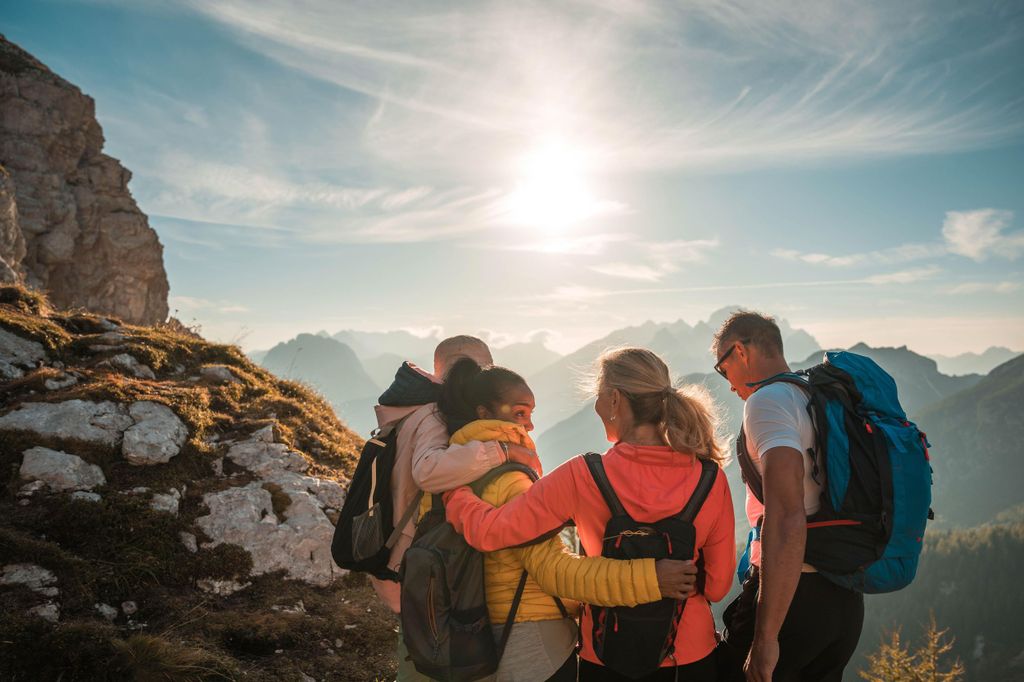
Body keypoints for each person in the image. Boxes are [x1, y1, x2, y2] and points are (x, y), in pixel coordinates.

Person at [372, 337, 697, 681]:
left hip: (479, 630)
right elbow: (555, 571)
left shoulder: (452, 470)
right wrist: (651, 578)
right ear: (483, 411)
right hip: (535, 638)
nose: (529, 425)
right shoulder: (508, 477)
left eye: (530, 414)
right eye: (520, 414)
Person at [443, 347, 736, 681]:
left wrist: (455, 491)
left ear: (614, 400)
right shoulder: (711, 479)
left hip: (607, 655)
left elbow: (490, 532)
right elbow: (716, 587)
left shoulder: (582, 475)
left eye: (598, 397)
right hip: (689, 656)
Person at [370, 335, 540, 681]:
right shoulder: (434, 412)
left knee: (422, 653)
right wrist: (503, 453)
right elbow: (429, 471)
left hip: (410, 559)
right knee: (430, 659)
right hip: (425, 563)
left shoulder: (412, 411)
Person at [712, 312, 864, 682]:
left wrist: (765, 638)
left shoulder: (769, 402)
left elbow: (786, 514)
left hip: (792, 597)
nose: (728, 384)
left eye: (722, 367)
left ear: (741, 352)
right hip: (845, 599)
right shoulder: (817, 396)